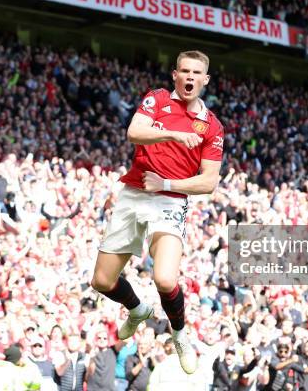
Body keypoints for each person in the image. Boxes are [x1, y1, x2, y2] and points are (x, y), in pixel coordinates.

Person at [91, 50, 224, 375]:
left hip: (169, 199)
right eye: (184, 71)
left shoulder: (212, 126)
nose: (190, 77)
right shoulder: (158, 99)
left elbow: (208, 182)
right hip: (133, 193)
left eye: (196, 73)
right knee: (102, 281)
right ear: (174, 75)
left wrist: (165, 181)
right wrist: (174, 133)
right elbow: (134, 132)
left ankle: (180, 335)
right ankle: (138, 309)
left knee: (165, 278)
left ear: (205, 80)